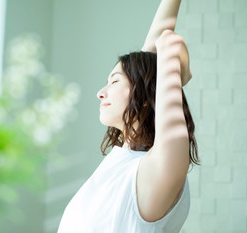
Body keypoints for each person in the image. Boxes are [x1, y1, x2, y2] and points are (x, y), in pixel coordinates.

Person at [57, 0, 200, 232]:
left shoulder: (158, 168)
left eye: (114, 81)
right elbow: (151, 59)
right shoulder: (124, 160)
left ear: (144, 95)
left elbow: (168, 45)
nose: (100, 93)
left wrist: (179, 72)